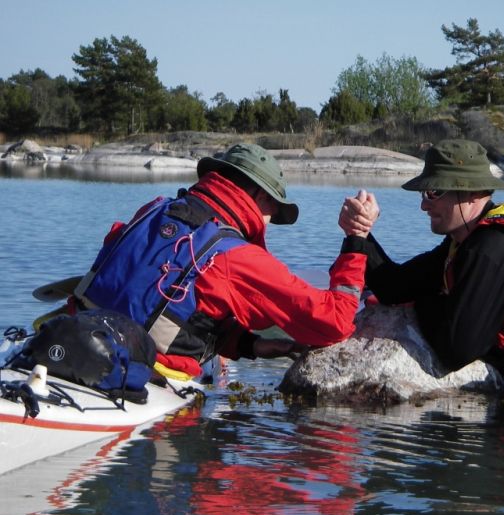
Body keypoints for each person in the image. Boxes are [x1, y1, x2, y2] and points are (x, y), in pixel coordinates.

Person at [70, 143, 369, 378]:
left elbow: (153, 306)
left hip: (71, 338)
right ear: (259, 197)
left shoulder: (155, 209)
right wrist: (356, 238)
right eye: (273, 214)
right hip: (141, 375)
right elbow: (335, 323)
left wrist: (247, 345)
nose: (267, 223)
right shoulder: (239, 256)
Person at [338, 139, 504, 372]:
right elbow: (394, 287)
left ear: (472, 193)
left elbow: (457, 351)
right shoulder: (465, 240)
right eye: (424, 193)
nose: (423, 205)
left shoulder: (491, 247)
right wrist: (359, 234)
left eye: (435, 192)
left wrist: (424, 304)